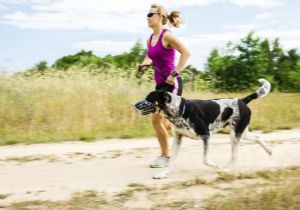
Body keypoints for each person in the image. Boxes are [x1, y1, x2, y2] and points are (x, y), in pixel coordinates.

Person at [136, 4, 191, 168]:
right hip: (160, 85)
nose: (147, 17)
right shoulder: (150, 39)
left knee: (156, 120)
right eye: (147, 14)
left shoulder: (167, 36)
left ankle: (165, 157)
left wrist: (174, 74)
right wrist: (143, 64)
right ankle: (181, 129)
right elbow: (150, 56)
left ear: (160, 17)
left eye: (150, 14)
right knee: (165, 120)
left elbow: (186, 53)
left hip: (171, 84)